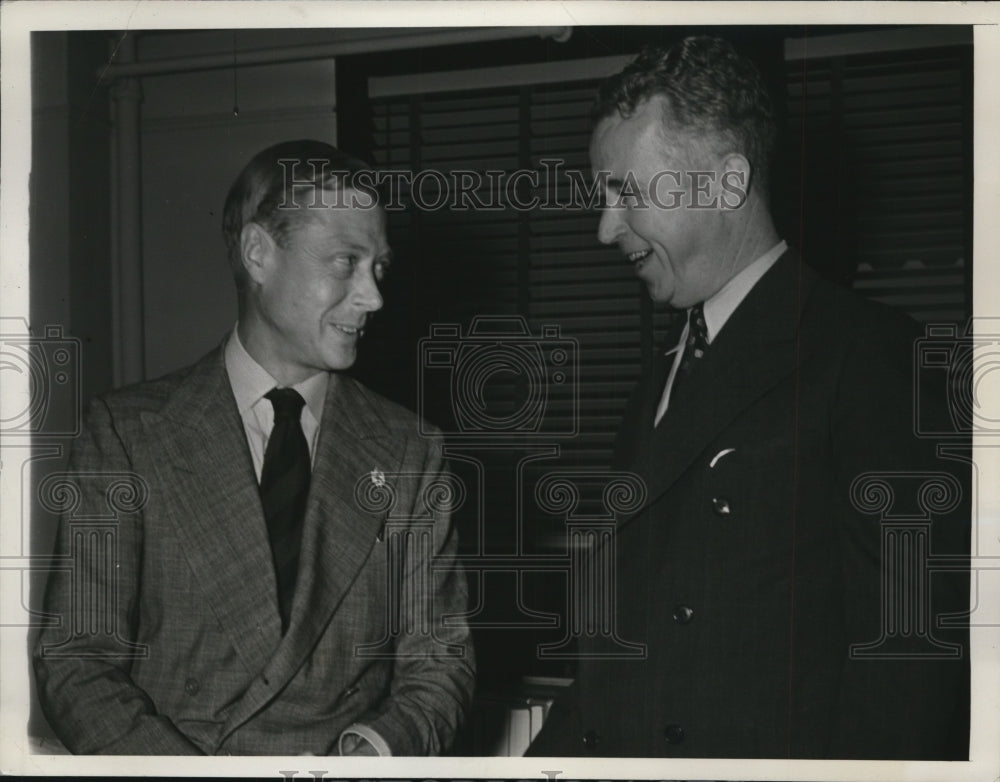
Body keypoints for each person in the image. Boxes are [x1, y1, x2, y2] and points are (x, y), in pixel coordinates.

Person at [528, 36, 969, 759]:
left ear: (727, 183)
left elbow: (908, 670)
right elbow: (620, 661)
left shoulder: (867, 356)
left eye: (628, 193)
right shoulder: (659, 380)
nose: (605, 228)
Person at [33, 140, 475, 755]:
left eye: (379, 267)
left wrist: (370, 751)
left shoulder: (409, 451)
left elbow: (440, 665)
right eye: (346, 261)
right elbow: (77, 661)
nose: (374, 296)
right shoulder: (127, 435)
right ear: (259, 253)